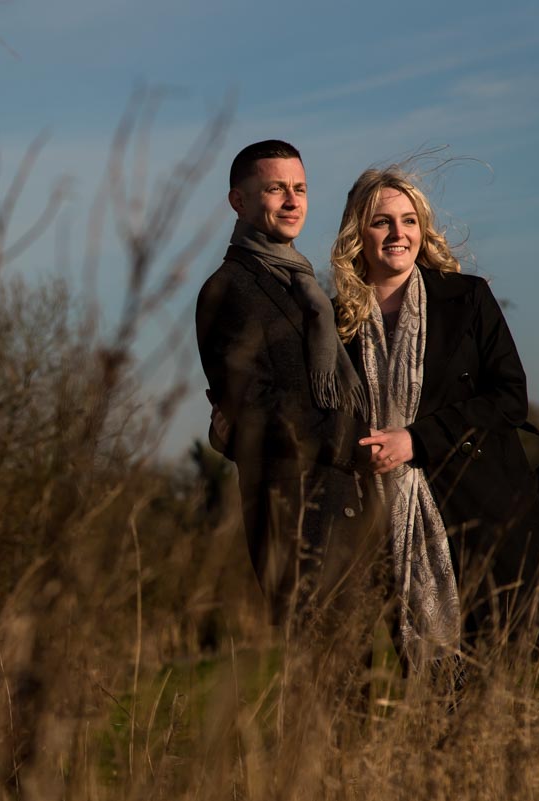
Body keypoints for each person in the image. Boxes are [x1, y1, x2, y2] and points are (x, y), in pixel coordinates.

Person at [337, 167, 539, 664]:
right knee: (435, 685)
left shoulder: (466, 298)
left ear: (423, 229)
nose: (398, 233)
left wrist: (416, 439)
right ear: (358, 233)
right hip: (387, 520)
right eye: (381, 221)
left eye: (409, 220)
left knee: (512, 662)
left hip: (482, 508)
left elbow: (510, 396)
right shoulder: (337, 321)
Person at [195, 140, 379, 626]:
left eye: (300, 188)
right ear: (238, 201)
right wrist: (355, 442)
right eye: (276, 189)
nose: (293, 201)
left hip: (352, 506)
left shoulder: (308, 289)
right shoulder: (227, 290)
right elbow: (254, 406)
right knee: (325, 664)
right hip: (295, 519)